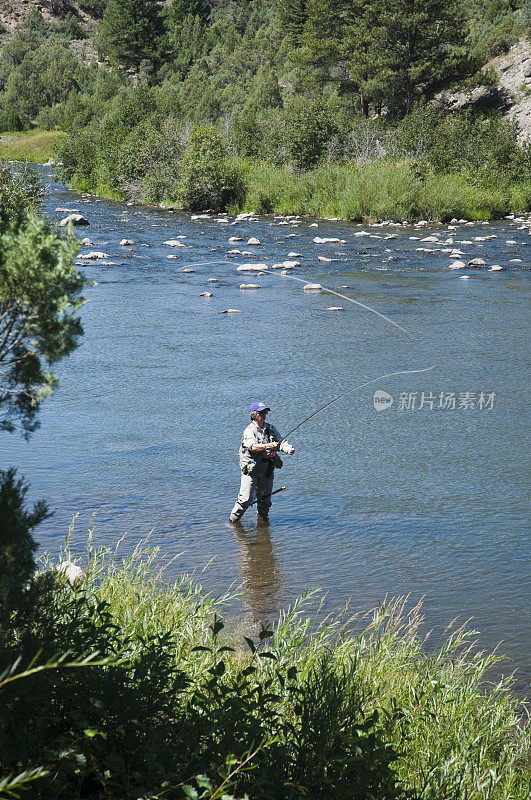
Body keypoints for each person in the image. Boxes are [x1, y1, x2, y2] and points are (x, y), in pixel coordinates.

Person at [230, 403, 295, 523]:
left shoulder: (270, 429)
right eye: (261, 413)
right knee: (245, 499)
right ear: (253, 415)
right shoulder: (249, 431)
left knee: (265, 501)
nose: (264, 415)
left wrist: (288, 449)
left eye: (265, 412)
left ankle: (263, 528)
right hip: (251, 470)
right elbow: (253, 447)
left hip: (267, 469)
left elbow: (281, 442)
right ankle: (232, 522)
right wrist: (268, 446)